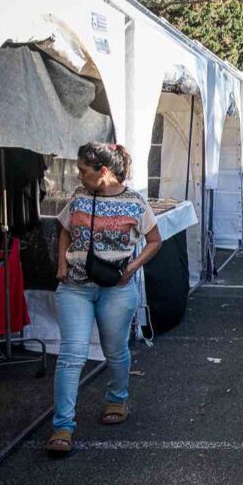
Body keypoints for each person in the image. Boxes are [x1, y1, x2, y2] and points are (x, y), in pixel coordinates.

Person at [47, 142, 162, 453]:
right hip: (75, 286)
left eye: (84, 172)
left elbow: (154, 240)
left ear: (105, 172)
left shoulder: (135, 202)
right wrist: (61, 263)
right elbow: (65, 229)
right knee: (71, 355)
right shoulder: (79, 197)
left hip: (116, 287)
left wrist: (133, 268)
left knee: (115, 350)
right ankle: (63, 425)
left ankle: (117, 397)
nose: (79, 176)